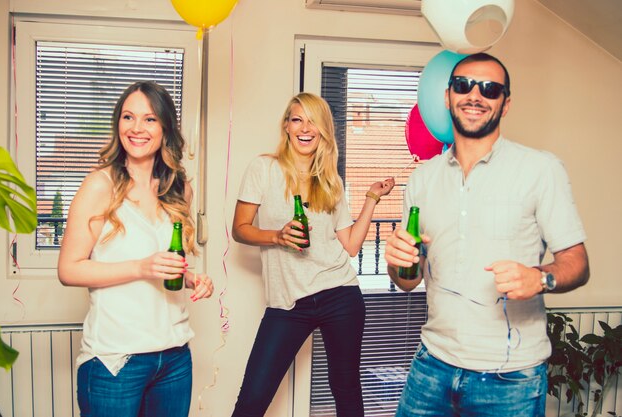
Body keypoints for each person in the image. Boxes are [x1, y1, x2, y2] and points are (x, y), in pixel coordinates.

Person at [384, 53, 590, 417]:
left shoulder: (540, 169)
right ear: (448, 96)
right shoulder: (422, 179)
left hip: (511, 377)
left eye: (490, 89)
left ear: (505, 104)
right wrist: (401, 263)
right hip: (432, 364)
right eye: (463, 86)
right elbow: (408, 282)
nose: (475, 96)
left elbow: (577, 263)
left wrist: (540, 278)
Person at [231, 92, 395, 417]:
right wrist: (276, 236)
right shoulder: (263, 168)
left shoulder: (331, 181)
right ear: (287, 127)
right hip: (289, 302)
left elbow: (350, 246)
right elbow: (240, 228)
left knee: (346, 390)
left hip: (340, 294)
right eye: (297, 119)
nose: (305, 128)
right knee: (253, 398)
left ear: (323, 130)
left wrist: (372, 199)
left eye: (313, 121)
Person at [57, 81, 214, 417]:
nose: (137, 128)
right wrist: (140, 267)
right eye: (128, 117)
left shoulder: (179, 188)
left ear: (165, 128)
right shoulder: (100, 184)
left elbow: (170, 260)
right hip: (115, 359)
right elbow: (69, 269)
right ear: (118, 124)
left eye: (150, 119)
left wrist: (191, 278)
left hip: (173, 356)